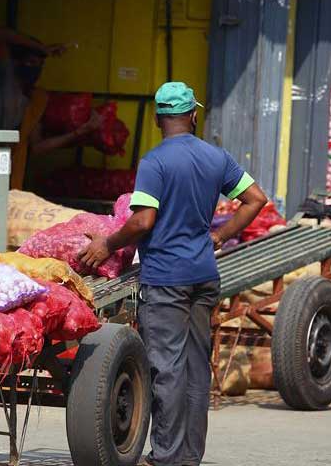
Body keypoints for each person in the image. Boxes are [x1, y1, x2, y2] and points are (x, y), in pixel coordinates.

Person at [79, 82, 267, 466]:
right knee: (196, 368)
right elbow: (256, 199)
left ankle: (164, 458)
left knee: (165, 367)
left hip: (166, 278)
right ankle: (188, 457)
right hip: (203, 275)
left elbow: (143, 220)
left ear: (158, 118)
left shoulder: (155, 161)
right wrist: (220, 235)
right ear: (193, 116)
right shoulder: (217, 157)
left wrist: (107, 245)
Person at [0, 28, 101, 190]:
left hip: (1, 174)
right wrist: (42, 49)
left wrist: (81, 131)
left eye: (40, 65)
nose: (36, 69)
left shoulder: (33, 100)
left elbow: (37, 146)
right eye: (31, 62)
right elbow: (1, 34)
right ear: (16, 62)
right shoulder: (1, 76)